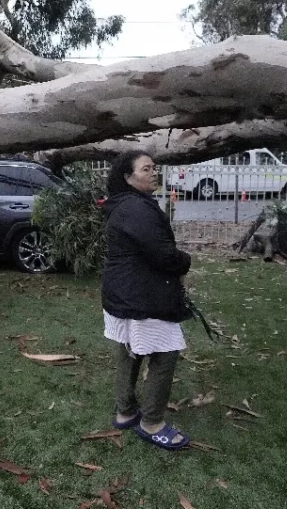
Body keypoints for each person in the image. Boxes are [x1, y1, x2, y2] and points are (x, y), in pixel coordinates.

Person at [101, 150, 193, 451]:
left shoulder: (126, 205)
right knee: (165, 353)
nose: (154, 173)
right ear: (128, 177)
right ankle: (151, 422)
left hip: (127, 293)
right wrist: (186, 262)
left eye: (155, 168)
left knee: (130, 351)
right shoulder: (136, 209)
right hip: (142, 298)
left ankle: (125, 411)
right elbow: (164, 254)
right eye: (146, 169)